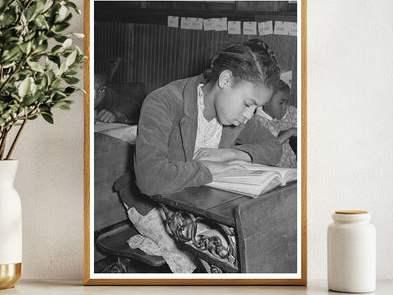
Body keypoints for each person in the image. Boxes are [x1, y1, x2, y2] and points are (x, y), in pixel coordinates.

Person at [120, 39, 282, 273]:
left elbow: (273, 147)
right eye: (248, 104)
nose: (249, 115)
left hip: (203, 201)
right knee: (209, 258)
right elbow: (150, 178)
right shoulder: (162, 102)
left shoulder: (234, 113)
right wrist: (207, 168)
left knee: (252, 245)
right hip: (152, 203)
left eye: (255, 108)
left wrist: (229, 154)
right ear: (225, 80)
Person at [255, 79, 297, 168]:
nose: (285, 107)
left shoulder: (291, 112)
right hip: (275, 170)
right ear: (266, 101)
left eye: (287, 102)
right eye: (281, 103)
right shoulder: (257, 122)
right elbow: (268, 148)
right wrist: (290, 132)